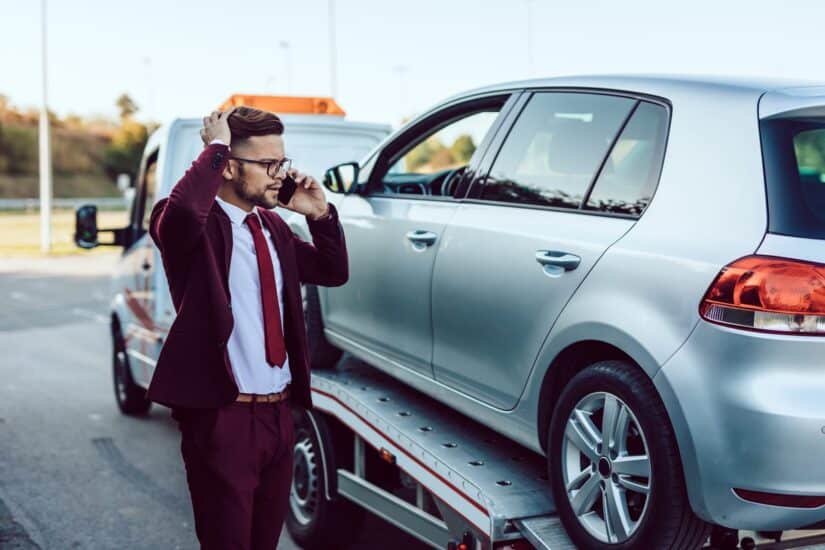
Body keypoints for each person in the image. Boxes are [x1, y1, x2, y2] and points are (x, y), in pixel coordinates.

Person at [147, 106, 348, 549]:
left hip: (279, 416)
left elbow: (333, 271)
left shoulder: (272, 227)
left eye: (283, 162)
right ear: (231, 167)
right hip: (224, 419)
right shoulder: (190, 226)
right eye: (269, 164)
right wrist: (214, 149)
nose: (281, 174)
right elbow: (181, 215)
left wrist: (320, 215)